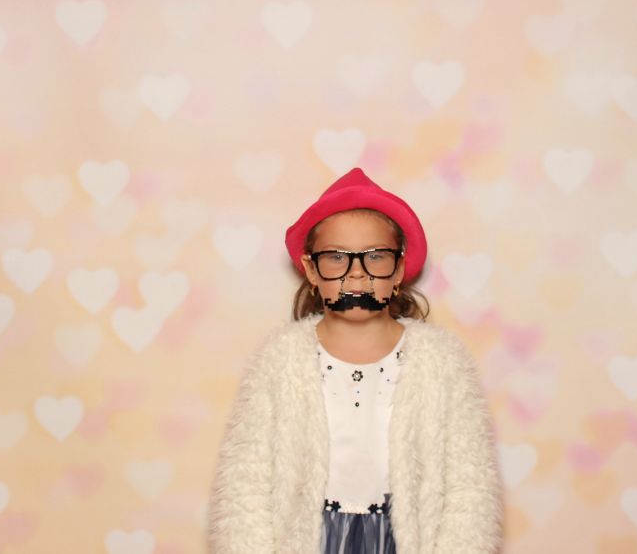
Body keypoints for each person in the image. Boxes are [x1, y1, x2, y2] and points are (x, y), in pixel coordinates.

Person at [206, 167, 504, 553]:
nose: (357, 276)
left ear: (399, 268)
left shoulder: (442, 364)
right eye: (336, 258)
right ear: (311, 270)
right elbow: (245, 485)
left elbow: (470, 487)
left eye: (375, 257)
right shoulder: (280, 362)